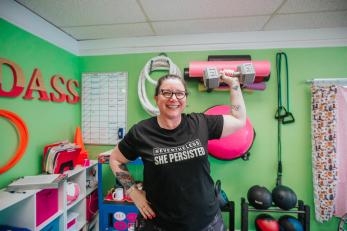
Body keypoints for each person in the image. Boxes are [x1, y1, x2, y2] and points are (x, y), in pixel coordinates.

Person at [110, 71, 246, 231]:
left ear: (185, 99)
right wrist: (132, 192)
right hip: (160, 224)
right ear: (156, 98)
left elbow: (239, 120)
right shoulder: (141, 132)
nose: (173, 98)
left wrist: (234, 83)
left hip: (207, 222)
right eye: (166, 92)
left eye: (180, 93)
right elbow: (115, 159)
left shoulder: (200, 123)